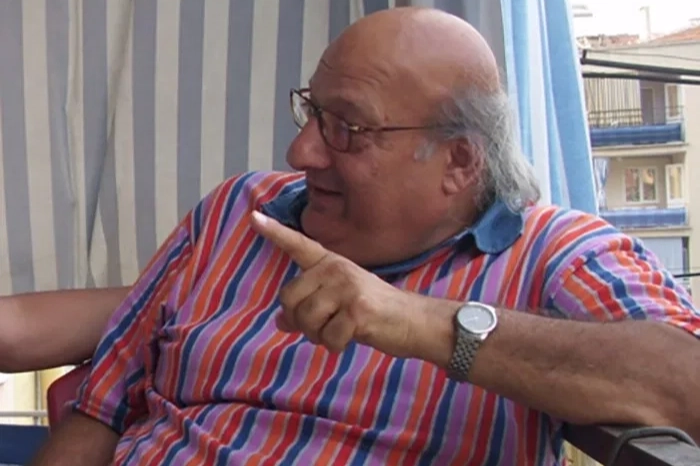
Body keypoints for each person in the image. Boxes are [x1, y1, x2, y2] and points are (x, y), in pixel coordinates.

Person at [2, 6, 697, 466]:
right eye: (312, 112)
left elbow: (686, 386)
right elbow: (100, 409)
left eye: (348, 128)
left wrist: (423, 323)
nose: (301, 151)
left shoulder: (556, 254)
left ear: (459, 162)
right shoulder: (239, 213)